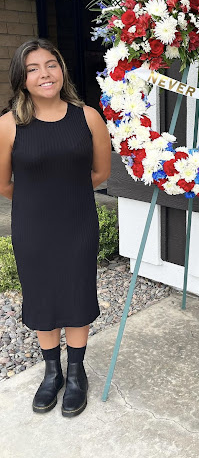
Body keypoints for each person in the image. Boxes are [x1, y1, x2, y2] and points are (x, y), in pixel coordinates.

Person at [0, 39, 111, 417]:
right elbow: (3, 183)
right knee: (43, 297)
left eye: (51, 64)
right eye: (33, 68)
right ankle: (52, 373)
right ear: (22, 78)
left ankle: (77, 373)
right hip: (33, 227)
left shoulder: (88, 117)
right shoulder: (8, 124)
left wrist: (64, 194)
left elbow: (100, 173)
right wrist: (38, 199)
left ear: (62, 70)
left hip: (78, 221)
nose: (44, 74)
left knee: (77, 296)